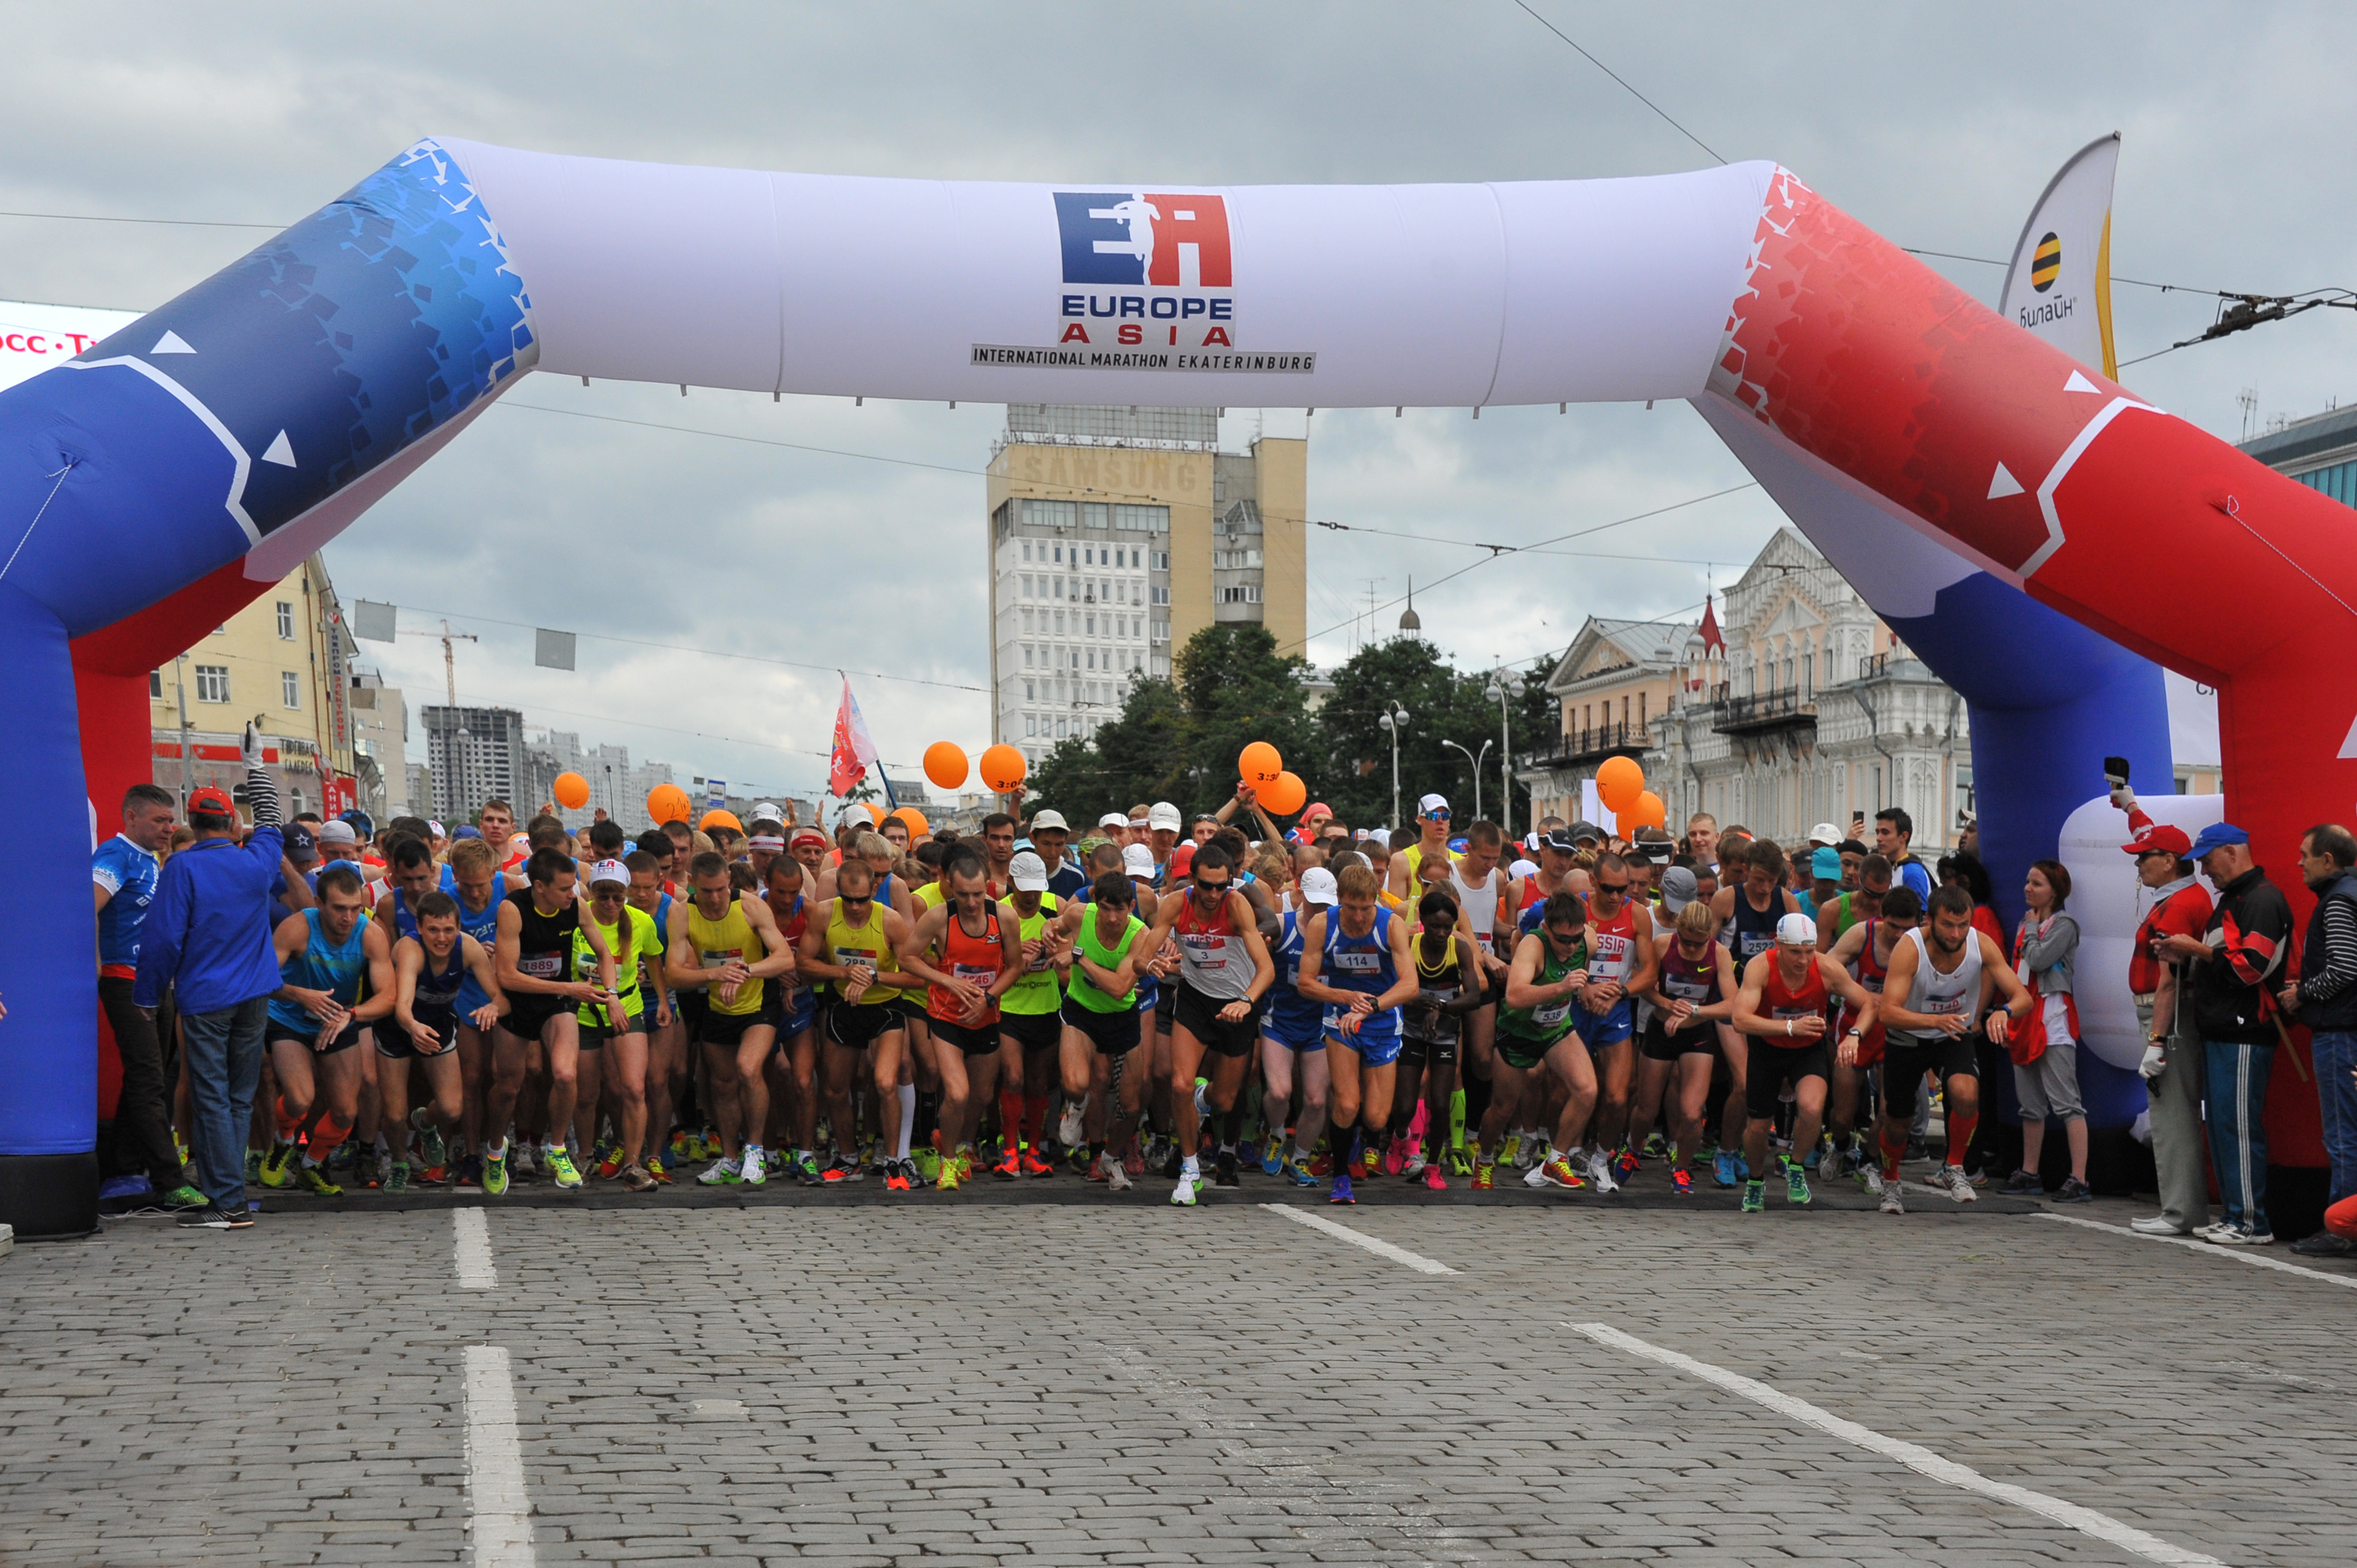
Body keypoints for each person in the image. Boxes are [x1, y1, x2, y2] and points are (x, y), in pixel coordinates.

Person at [133, 729, 285, 1229]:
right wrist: (255, 765)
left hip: (205, 999)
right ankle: (231, 1193)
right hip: (255, 995)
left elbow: (161, 942)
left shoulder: (180, 868)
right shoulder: (256, 863)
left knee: (212, 1096)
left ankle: (227, 1201)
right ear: (231, 822)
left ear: (193, 825)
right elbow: (272, 819)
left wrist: (147, 997)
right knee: (238, 1096)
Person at [1873, 883, 2033, 1215]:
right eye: (1947, 925)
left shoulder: (1980, 944)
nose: (1956, 933)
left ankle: (1955, 1166)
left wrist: (2002, 1013)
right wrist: (1932, 1020)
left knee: (1966, 1092)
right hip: (1907, 1037)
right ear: (1929, 920)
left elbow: (2024, 998)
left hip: (1951, 1035)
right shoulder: (1911, 946)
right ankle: (1890, 1181)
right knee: (1897, 1123)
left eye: (1963, 925)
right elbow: (1887, 1013)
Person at [1138, 841, 1275, 1205]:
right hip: (1196, 1001)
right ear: (1192, 881)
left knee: (1225, 1100)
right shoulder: (1175, 904)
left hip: (1237, 1006)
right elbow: (1142, 957)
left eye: (1221, 885)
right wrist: (1150, 966)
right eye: (1206, 886)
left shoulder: (1236, 904)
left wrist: (1246, 1001)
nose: (1214, 894)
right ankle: (1189, 1170)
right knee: (1179, 1083)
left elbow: (1267, 969)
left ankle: (1203, 1098)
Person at [93, 782, 205, 1209]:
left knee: (151, 1075)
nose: (168, 827)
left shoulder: (153, 861)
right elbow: (89, 904)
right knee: (149, 1080)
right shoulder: (115, 855)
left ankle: (123, 1169)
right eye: (159, 820)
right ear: (132, 816)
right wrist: (97, 960)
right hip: (127, 982)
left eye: (170, 820)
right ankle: (168, 1179)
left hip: (156, 983)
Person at [480, 848, 618, 1196]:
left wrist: (612, 994)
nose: (572, 895)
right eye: (564, 889)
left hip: (558, 1002)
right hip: (520, 1002)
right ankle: (496, 1151)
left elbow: (603, 952)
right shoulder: (513, 909)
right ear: (539, 887)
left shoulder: (576, 905)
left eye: (574, 887)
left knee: (566, 1074)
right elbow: (507, 977)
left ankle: (557, 1149)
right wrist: (568, 986)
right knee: (509, 1086)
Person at [1727, 913, 1882, 1213]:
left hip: (1807, 1050)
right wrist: (1789, 1027)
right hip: (1768, 1048)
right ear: (1778, 946)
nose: (1803, 960)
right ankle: (1756, 1182)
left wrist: (1854, 1035)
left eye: (1809, 951)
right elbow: (1739, 1019)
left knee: (1812, 1108)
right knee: (1758, 1128)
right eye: (1795, 952)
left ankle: (1796, 1167)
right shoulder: (1761, 967)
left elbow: (1868, 1004)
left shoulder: (1825, 968)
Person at [2185, 822, 2294, 1245]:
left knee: (2238, 1127)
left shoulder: (2263, 899)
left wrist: (2195, 950)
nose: (2205, 869)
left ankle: (2250, 1221)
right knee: (2224, 1126)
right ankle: (2237, 1215)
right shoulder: (2238, 897)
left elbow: (2251, 967)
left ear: (2231, 852)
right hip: (2226, 1029)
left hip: (2244, 1032)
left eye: (2208, 859)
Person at [259, 863, 397, 1196]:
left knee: (347, 1111)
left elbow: (389, 997)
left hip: (338, 1020)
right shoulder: (297, 928)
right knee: (299, 1097)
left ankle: (312, 1163)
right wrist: (298, 994)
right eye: (339, 909)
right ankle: (283, 1143)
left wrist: (351, 1015)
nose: (348, 918)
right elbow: (260, 978)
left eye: (354, 909)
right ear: (320, 904)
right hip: (290, 1018)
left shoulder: (370, 933)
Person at [665, 850, 795, 1188]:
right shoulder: (681, 914)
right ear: (692, 885)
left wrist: (745, 972)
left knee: (749, 1069)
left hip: (758, 1005)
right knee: (721, 1085)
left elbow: (784, 959)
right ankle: (730, 1157)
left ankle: (755, 1151)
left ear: (730, 882)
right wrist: (715, 976)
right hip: (719, 1008)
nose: (714, 898)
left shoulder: (751, 906)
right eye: (706, 891)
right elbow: (674, 975)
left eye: (721, 889)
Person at [1295, 861, 1420, 1204]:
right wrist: (1345, 998)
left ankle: (1367, 1142)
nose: (1360, 917)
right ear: (1339, 900)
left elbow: (1410, 985)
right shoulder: (1323, 924)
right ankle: (1341, 1177)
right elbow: (1305, 983)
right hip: (1340, 1019)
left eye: (1366, 908)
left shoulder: (1390, 925)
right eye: (1351, 908)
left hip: (1380, 1020)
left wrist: (1371, 1006)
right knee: (1348, 1104)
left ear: (1375, 901)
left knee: (1377, 1117)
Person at [897, 848, 1022, 1187]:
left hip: (986, 1015)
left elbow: (1016, 967)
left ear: (989, 887)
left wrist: (988, 998)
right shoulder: (939, 917)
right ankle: (948, 1161)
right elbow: (907, 957)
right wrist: (946, 979)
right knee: (957, 1093)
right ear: (950, 887)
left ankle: (957, 1142)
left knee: (981, 1096)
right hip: (945, 1016)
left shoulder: (1005, 917)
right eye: (963, 895)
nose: (971, 903)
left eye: (978, 895)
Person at [799, 854, 923, 1185]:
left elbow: (917, 978)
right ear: (838, 891)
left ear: (876, 888)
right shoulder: (825, 914)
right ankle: (849, 1159)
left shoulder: (891, 921)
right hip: (844, 1007)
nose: (855, 907)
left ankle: (896, 1161)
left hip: (885, 1009)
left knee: (885, 1083)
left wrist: (873, 976)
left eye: (863, 900)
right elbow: (803, 963)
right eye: (848, 899)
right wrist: (843, 972)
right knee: (837, 1089)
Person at [2118, 819, 2212, 1236]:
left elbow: (2170, 979)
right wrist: (2132, 807)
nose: (2139, 865)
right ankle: (2181, 1209)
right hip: (2170, 1014)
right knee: (2175, 1111)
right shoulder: (2181, 897)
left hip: (2168, 1017)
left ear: (2169, 861)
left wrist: (2157, 1040)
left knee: (2172, 1113)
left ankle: (2179, 1212)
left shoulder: (2177, 905)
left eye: (2145, 858)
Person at [383, 890, 501, 1194]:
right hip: (398, 1027)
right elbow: (402, 1005)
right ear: (419, 928)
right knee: (395, 1113)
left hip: (436, 1025)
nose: (441, 938)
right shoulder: (410, 949)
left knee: (451, 1110)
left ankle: (424, 1121)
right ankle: (399, 1164)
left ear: (459, 928)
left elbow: (501, 997)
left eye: (449, 930)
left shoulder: (469, 948)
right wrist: (412, 1027)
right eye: (433, 930)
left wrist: (493, 1006)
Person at [1630, 897, 1738, 1196]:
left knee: (1692, 1113)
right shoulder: (1663, 945)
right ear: (1678, 931)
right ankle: (1633, 1148)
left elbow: (1732, 1004)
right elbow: (1646, 986)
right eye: (1686, 943)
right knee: (1646, 1109)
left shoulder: (1720, 954)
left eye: (1698, 944)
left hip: (1697, 1034)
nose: (1691, 949)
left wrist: (1695, 1011)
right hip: (1660, 1031)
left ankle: (1681, 1168)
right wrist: (1668, 1004)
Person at [2285, 823, 2357, 1256]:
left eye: (2305, 854)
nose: (2299, 863)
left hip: (2340, 1033)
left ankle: (2342, 1231)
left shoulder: (2338, 902)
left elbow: (2346, 969)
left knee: (2343, 1134)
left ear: (2328, 860)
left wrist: (2300, 994)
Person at [1058, 867, 1150, 1192]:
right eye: (1107, 909)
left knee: (1132, 1105)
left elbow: (1119, 986)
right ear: (1096, 902)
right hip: (1081, 1011)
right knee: (1076, 1084)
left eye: (1120, 910)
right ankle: (1076, 1107)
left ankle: (1111, 1159)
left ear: (1131, 908)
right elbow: (1052, 928)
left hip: (1121, 1017)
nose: (1113, 918)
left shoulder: (1139, 934)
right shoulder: (1079, 914)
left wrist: (1078, 956)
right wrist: (1045, 935)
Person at [2006, 861, 2092, 1201]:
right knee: (2030, 1105)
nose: (2028, 888)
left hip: (2053, 1017)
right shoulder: (2025, 924)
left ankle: (2080, 1178)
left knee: (2067, 1102)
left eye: (2037, 883)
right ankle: (2030, 1172)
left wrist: (2029, 930)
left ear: (2055, 891)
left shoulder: (2065, 924)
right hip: (2024, 1016)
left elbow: (2040, 960)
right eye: (2027, 882)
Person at [1396, 888, 1484, 1190]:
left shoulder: (1459, 949)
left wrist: (1442, 1008)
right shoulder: (1410, 945)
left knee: (1441, 1102)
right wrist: (1425, 1003)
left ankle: (1433, 1164)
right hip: (1412, 1031)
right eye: (1435, 926)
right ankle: (1400, 1138)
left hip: (1445, 1034)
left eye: (1447, 927)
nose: (1441, 933)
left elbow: (1474, 996)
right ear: (1422, 922)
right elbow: (1397, 990)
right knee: (1406, 1105)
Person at [1259, 866, 1337, 1186]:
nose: (1320, 910)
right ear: (1300, 895)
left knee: (1317, 1099)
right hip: (1279, 1022)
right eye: (1314, 903)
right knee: (1279, 1093)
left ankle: (1301, 1158)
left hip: (1319, 1025)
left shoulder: (1339, 932)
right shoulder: (1282, 925)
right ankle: (1277, 1134)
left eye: (1326, 905)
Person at [1873, 807, 1934, 902]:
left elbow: (1919, 914)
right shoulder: (1889, 868)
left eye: (1885, 833)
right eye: (1878, 832)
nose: (1879, 838)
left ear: (1904, 836)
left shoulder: (1913, 873)